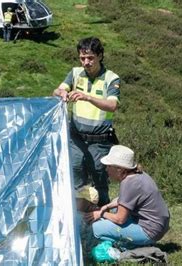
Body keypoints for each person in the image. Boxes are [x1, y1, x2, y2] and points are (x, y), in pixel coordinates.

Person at [52, 36, 120, 206]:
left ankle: (103, 216)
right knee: (75, 177)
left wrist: (88, 98)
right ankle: (79, 217)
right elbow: (58, 90)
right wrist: (62, 93)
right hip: (76, 139)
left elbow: (112, 105)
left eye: (90, 58)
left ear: (100, 56)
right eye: (82, 58)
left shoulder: (111, 78)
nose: (86, 62)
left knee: (100, 179)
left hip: (100, 141)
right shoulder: (75, 73)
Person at [84, 145, 170, 248]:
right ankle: (133, 242)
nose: (106, 169)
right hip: (159, 226)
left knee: (96, 228)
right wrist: (107, 207)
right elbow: (124, 200)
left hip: (149, 231)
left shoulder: (129, 183)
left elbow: (120, 219)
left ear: (119, 169)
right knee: (115, 208)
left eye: (109, 166)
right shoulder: (138, 175)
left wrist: (101, 214)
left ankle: (130, 246)